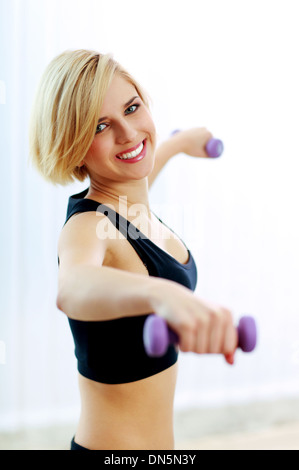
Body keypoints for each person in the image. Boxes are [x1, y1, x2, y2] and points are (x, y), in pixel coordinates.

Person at [29, 49, 238, 451]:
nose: (127, 133)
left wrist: (177, 144)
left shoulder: (128, 207)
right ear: (72, 144)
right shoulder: (89, 225)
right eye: (100, 126)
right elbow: (73, 286)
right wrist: (163, 293)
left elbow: (137, 162)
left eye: (132, 107)